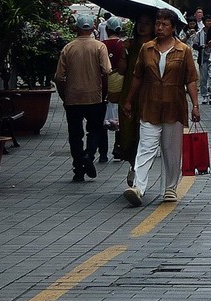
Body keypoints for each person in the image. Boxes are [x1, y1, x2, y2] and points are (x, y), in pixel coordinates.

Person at [121, 8, 200, 206]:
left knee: (171, 149)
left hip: (174, 104)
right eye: (158, 24)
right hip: (150, 103)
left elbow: (191, 80)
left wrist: (195, 105)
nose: (159, 27)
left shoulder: (184, 50)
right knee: (146, 147)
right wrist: (129, 100)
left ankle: (170, 188)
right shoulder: (146, 48)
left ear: (173, 28)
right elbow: (137, 76)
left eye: (165, 24)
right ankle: (138, 188)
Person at [53, 12, 112, 183]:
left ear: (76, 29)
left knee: (75, 134)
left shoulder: (68, 48)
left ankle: (78, 168)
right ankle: (89, 154)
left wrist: (64, 95)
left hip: (72, 98)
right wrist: (105, 92)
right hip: (94, 96)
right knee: (94, 129)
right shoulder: (99, 47)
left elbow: (58, 76)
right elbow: (107, 71)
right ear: (93, 28)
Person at [118, 11, 156, 184]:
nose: (142, 26)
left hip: (148, 95)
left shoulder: (155, 46)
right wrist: (123, 52)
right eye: (140, 22)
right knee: (127, 133)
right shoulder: (130, 45)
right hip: (128, 95)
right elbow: (121, 70)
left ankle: (138, 171)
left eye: (147, 23)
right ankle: (133, 164)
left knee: (144, 134)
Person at [100, 18, 127, 163]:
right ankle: (118, 146)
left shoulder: (100, 45)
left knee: (101, 118)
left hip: (103, 86)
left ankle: (102, 152)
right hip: (120, 86)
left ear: (107, 30)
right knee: (120, 117)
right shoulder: (124, 46)